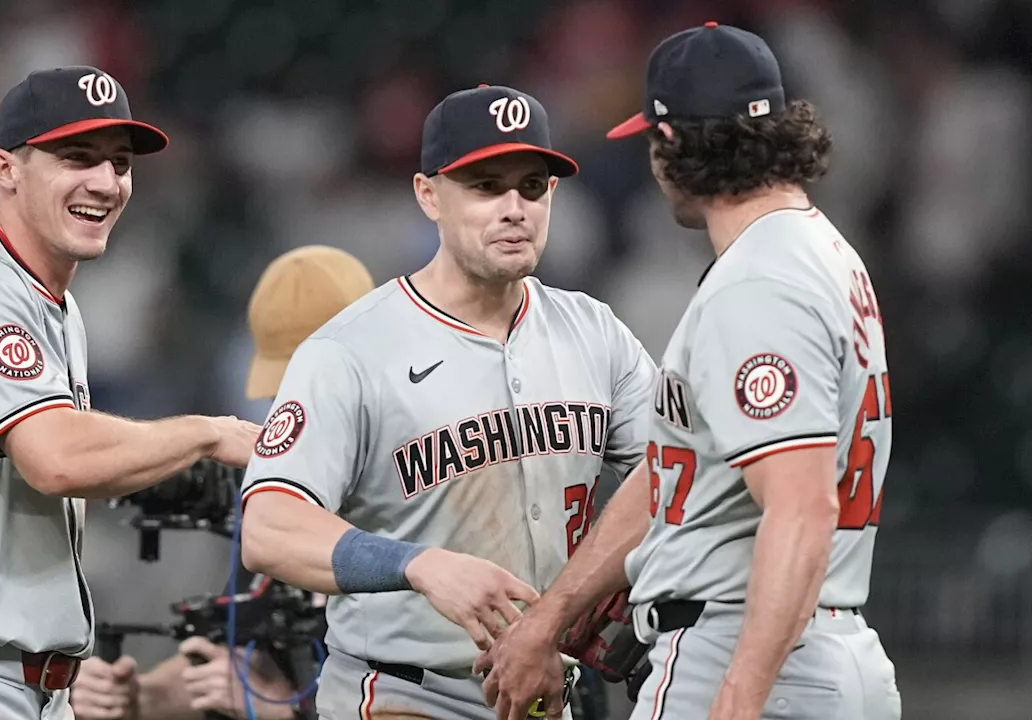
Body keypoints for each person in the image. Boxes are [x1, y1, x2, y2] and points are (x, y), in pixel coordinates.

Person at [476, 22, 902, 720]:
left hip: (745, 654)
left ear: (670, 143)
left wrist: (737, 698)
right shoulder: (818, 251)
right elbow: (676, 471)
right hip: (814, 648)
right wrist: (552, 615)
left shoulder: (759, 284)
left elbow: (802, 508)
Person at [0, 65, 262, 720]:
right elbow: (58, 460)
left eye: (119, 163)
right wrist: (211, 434)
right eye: (76, 157)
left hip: (22, 683)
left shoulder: (55, 306)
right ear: (6, 168)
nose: (105, 182)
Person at [237, 83, 657, 720]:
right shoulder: (351, 350)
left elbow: (673, 472)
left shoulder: (594, 331)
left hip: (544, 690)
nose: (514, 208)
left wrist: (587, 593)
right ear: (428, 195)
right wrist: (416, 565)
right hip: (405, 690)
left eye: (532, 186)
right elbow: (268, 530)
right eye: (486, 187)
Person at [70, 245, 376, 720]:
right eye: (286, 393)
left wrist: (278, 711)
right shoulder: (281, 499)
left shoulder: (418, 496)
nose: (294, 411)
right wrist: (136, 698)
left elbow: (447, 694)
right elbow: (234, 662)